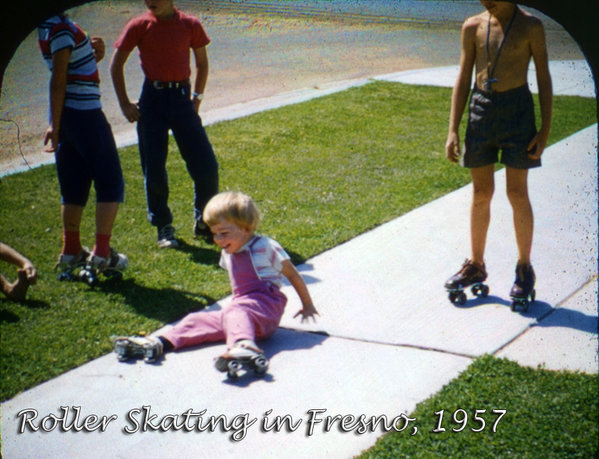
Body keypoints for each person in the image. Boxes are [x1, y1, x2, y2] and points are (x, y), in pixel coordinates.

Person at [113, 192, 319, 372]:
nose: (218, 239)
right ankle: (160, 342)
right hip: (240, 311)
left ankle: (245, 346)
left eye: (224, 233)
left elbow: (292, 275)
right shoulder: (227, 252)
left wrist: (307, 305)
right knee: (197, 319)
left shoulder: (265, 246)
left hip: (266, 309)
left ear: (246, 228)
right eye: (214, 234)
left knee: (236, 311)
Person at [444, 1, 552, 303]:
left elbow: (543, 77)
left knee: (517, 193)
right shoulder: (472, 26)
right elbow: (463, 77)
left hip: (517, 111)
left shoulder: (531, 26)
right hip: (481, 109)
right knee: (481, 193)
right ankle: (476, 265)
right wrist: (453, 128)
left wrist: (544, 130)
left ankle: (524, 268)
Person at [110, 0, 219, 248]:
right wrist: (125, 103)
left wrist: (197, 99)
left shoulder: (190, 25)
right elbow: (116, 64)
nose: (151, 1)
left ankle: (204, 221)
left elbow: (201, 63)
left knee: (206, 165)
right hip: (153, 101)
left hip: (182, 99)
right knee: (155, 168)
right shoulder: (139, 25)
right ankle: (163, 227)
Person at [38, 14, 128, 278]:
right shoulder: (61, 28)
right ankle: (101, 254)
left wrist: (90, 55)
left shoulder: (48, 26)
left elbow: (70, 71)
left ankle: (71, 251)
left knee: (73, 185)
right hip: (85, 114)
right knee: (110, 181)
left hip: (68, 116)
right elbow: (59, 79)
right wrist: (54, 125)